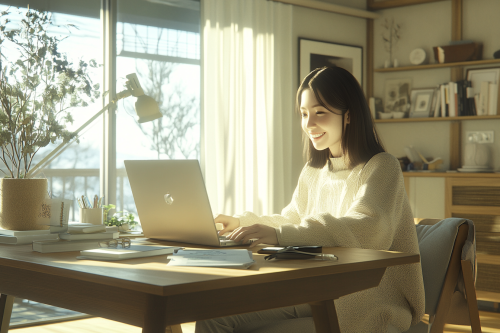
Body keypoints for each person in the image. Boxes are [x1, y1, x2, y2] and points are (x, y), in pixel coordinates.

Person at [195, 66, 425, 333]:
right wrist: (242, 222)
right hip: (315, 291)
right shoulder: (314, 172)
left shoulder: (382, 167)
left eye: (320, 113)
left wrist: (280, 235)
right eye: (304, 114)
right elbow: (293, 220)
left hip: (366, 301)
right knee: (211, 315)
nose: (309, 124)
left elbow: (368, 228)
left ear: (348, 115)